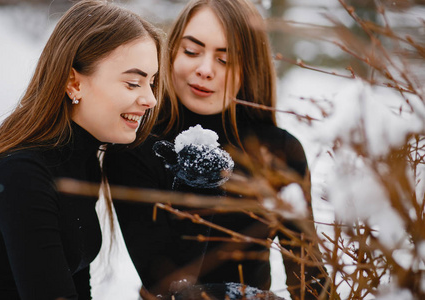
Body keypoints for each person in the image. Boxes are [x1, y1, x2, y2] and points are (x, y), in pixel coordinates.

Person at [104, 0, 327, 299]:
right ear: (170, 54)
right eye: (192, 51)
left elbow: (308, 277)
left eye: (225, 59)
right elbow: (169, 285)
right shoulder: (137, 144)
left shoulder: (280, 151)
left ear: (249, 68)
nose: (205, 69)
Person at [0, 1, 162, 299]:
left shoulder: (81, 162)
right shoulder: (22, 177)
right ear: (73, 82)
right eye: (132, 83)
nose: (150, 99)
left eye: (151, 83)